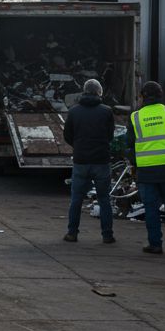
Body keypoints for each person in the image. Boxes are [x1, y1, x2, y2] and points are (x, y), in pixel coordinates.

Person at [128, 81, 165, 254]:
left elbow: (129, 144)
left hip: (146, 171)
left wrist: (135, 163)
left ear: (142, 97)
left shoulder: (135, 117)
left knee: (151, 209)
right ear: (161, 95)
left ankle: (155, 244)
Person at [64, 79, 116, 244]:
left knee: (76, 199)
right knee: (104, 199)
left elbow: (68, 136)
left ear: (84, 92)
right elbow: (110, 136)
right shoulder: (107, 111)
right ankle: (107, 235)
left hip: (81, 161)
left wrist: (79, 146)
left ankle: (72, 233)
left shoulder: (73, 111)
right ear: (99, 93)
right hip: (101, 161)